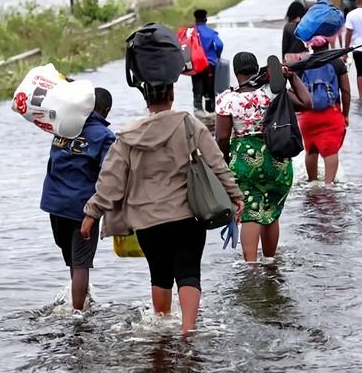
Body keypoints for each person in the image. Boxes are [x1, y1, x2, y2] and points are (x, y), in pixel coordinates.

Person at [81, 33, 244, 334]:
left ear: (146, 99)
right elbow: (216, 163)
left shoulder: (127, 137)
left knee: (159, 274)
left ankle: (162, 329)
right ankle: (188, 332)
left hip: (148, 222)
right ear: (171, 93)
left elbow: (111, 180)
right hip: (186, 216)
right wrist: (236, 196)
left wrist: (92, 214)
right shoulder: (189, 124)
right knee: (188, 272)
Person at [215, 53, 312, 261]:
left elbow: (222, 137)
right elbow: (306, 102)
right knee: (271, 212)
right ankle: (269, 262)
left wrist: (223, 161)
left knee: (250, 211)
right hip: (277, 157)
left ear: (236, 72)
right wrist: (292, 77)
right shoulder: (273, 92)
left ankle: (250, 267)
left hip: (244, 160)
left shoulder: (227, 99)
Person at [40, 87, 115, 311]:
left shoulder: (64, 126)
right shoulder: (104, 137)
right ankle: (78, 314)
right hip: (82, 209)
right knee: (81, 263)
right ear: (107, 111)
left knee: (73, 261)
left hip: (54, 205)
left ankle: (78, 300)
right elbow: (109, 176)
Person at [297, 37, 351, 184]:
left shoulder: (303, 64)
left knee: (311, 150)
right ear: (328, 44)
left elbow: (296, 90)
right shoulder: (337, 63)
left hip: (307, 115)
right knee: (331, 150)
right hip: (331, 114)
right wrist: (345, 114)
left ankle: (312, 183)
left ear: (311, 47)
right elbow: (346, 91)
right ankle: (328, 186)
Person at [191, 9, 224, 117]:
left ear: (195, 20)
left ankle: (198, 109)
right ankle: (211, 110)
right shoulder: (210, 32)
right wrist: (217, 55)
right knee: (210, 88)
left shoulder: (191, 33)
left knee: (197, 86)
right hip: (209, 64)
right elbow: (219, 44)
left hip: (195, 65)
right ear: (205, 19)